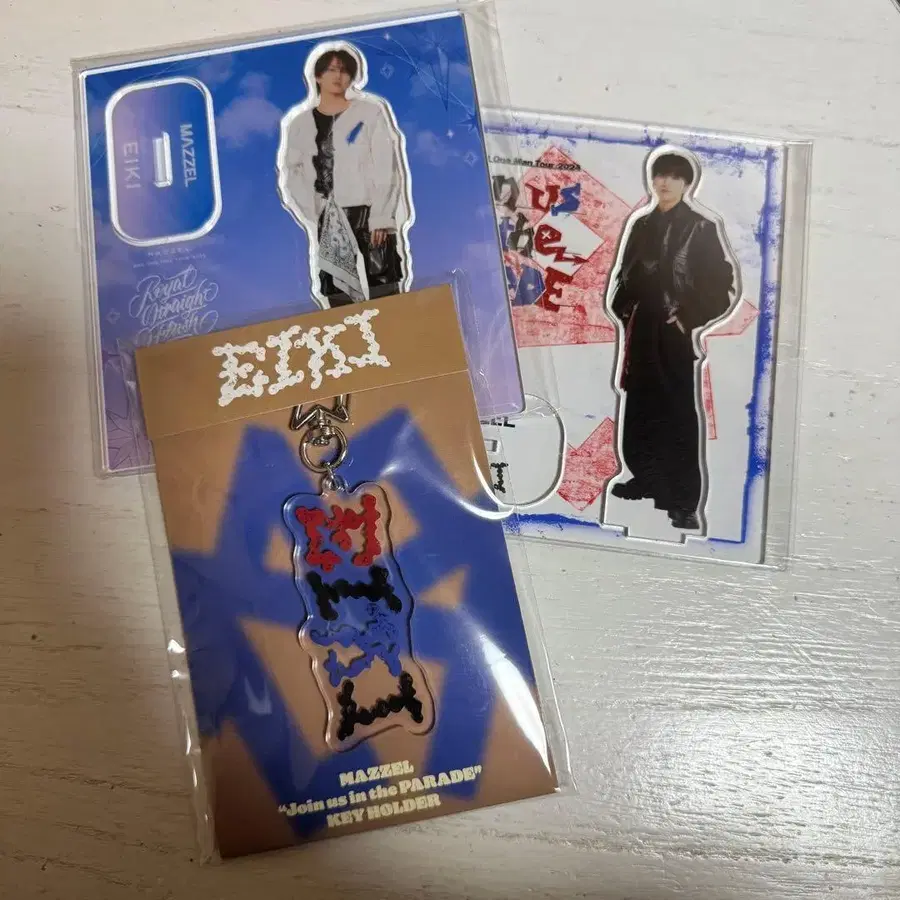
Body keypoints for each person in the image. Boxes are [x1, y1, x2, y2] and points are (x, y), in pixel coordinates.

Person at [607, 150, 737, 531]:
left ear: (686, 184)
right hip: (640, 328)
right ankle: (646, 478)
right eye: (659, 175)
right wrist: (624, 308)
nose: (664, 183)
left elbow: (723, 286)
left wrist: (688, 318)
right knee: (639, 406)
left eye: (673, 177)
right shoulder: (641, 224)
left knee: (677, 413)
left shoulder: (700, 227)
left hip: (674, 332)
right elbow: (624, 273)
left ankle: (683, 502)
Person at [277, 45, 411, 308]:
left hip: (368, 210)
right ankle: (349, 333)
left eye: (345, 71)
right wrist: (315, 210)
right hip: (329, 214)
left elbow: (387, 165)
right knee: (336, 289)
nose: (338, 76)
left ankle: (395, 328)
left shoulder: (369, 113)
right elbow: (292, 171)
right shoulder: (300, 124)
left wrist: (382, 217)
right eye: (331, 70)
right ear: (318, 76)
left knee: (384, 278)